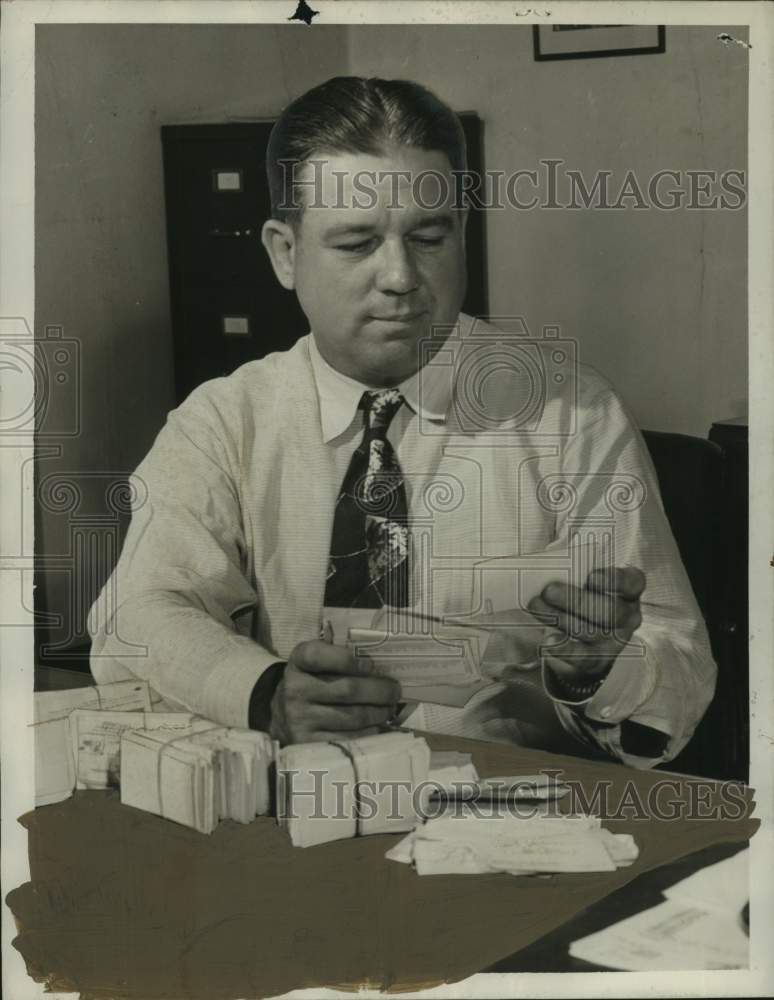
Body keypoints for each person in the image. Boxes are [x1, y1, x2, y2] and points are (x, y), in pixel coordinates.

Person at [89, 76, 716, 769]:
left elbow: (681, 668)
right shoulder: (224, 420)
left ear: (461, 235)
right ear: (284, 254)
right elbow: (136, 617)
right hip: (304, 810)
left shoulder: (573, 415)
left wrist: (596, 672)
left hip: (506, 817)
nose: (400, 277)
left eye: (428, 236)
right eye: (357, 243)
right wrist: (265, 693)